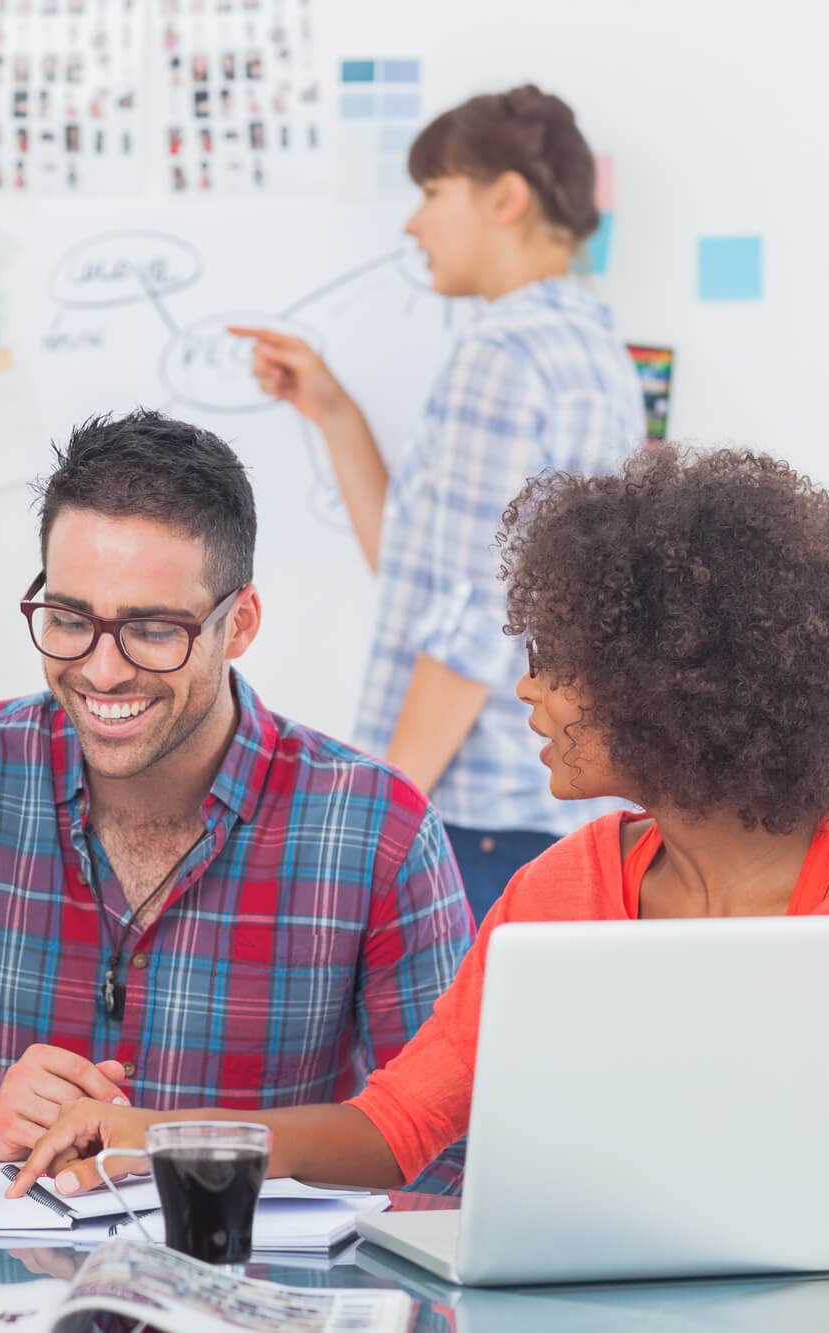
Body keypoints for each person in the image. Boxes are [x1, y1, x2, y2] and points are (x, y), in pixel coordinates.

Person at [10, 445, 829, 1196]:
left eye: (558, 658)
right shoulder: (560, 888)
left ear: (670, 683)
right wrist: (168, 1135)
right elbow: (395, 1128)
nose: (526, 689)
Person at [0, 410, 475, 1198]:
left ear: (241, 624)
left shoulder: (377, 829)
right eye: (69, 618)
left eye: (153, 630)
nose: (103, 669)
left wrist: (187, 1144)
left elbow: (448, 1151)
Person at [233, 85, 645, 920]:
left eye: (431, 192)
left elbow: (476, 620)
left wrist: (381, 822)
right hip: (547, 805)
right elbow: (423, 570)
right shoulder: (594, 346)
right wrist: (337, 415)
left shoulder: (500, 354)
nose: (412, 225)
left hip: (475, 816)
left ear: (506, 197)